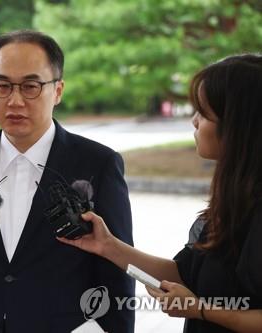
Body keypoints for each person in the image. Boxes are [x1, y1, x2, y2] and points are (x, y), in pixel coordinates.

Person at [0, 30, 135, 333]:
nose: (14, 100)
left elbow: (117, 272)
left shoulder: (98, 164)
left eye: (30, 86)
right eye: (2, 85)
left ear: (58, 90)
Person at [59, 54, 262, 332]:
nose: (194, 122)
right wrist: (107, 245)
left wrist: (202, 310)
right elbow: (183, 275)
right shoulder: (235, 201)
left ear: (238, 127)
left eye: (203, 113)